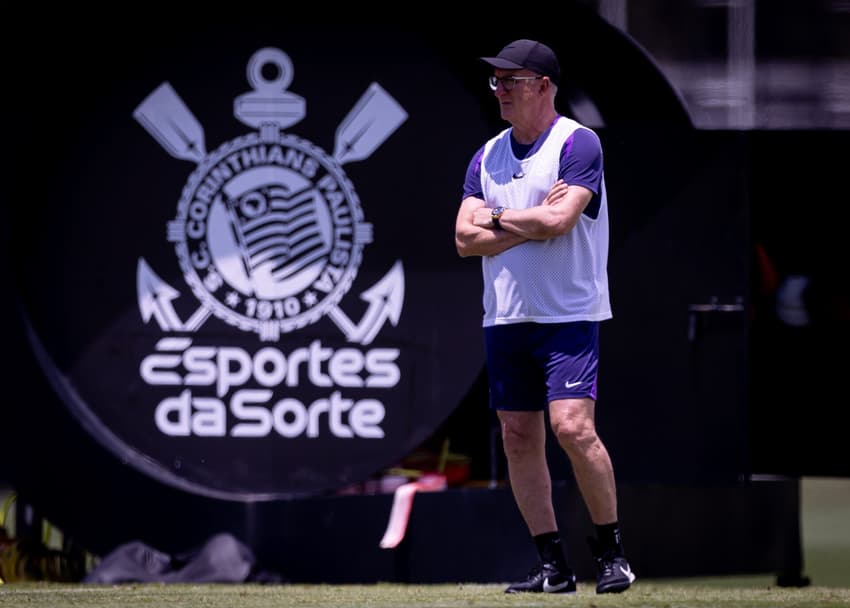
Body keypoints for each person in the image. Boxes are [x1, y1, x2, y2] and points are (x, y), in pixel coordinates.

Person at [454, 39, 635, 595]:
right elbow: (464, 239)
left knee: (573, 429)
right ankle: (553, 566)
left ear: (544, 87)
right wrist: (527, 220)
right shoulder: (487, 155)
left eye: (513, 80)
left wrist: (501, 218)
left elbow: (560, 221)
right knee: (517, 436)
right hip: (506, 317)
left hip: (569, 314)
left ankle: (612, 555)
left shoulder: (577, 143)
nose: (501, 90)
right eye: (497, 81)